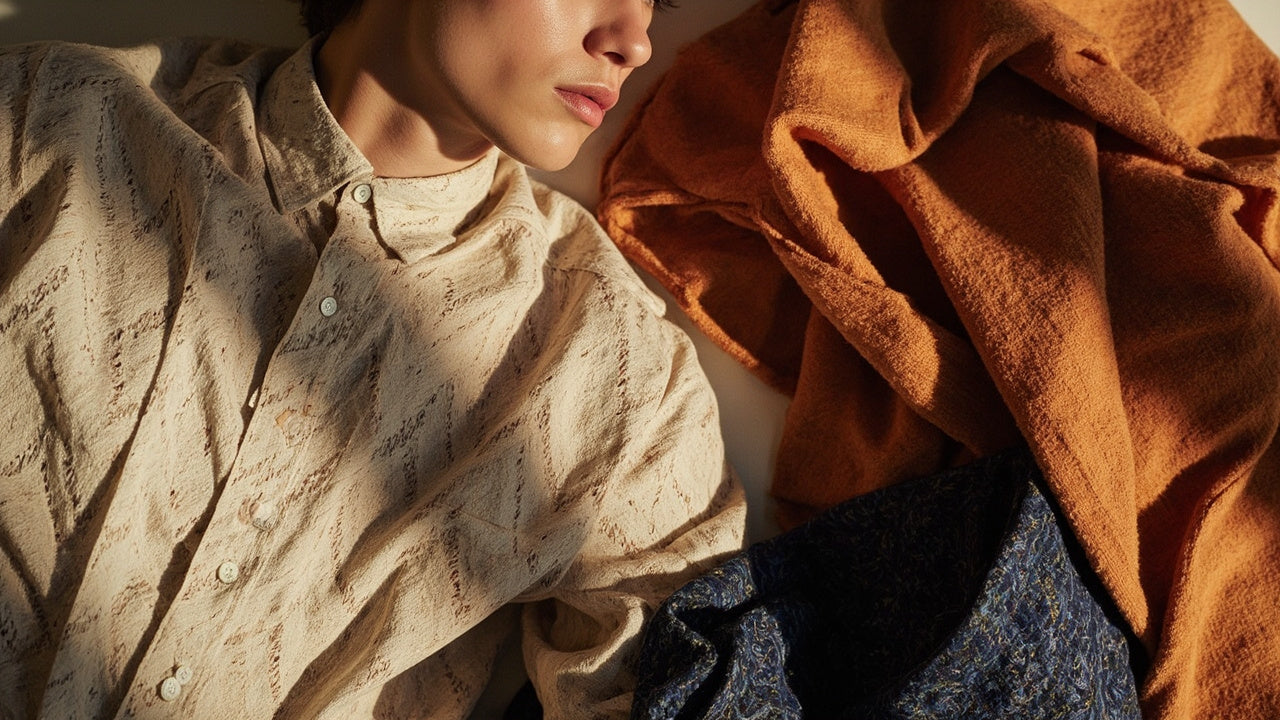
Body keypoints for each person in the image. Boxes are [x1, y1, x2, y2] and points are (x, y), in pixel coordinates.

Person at [0, 0, 745, 717]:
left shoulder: (615, 370)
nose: (635, 40)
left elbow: (687, 680)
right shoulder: (47, 121)